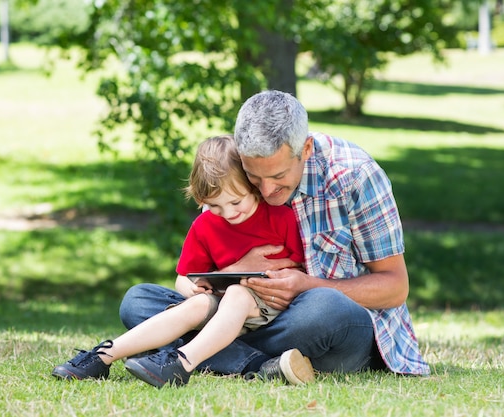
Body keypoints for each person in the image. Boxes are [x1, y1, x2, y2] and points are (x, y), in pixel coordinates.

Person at [119, 90, 430, 381]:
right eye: (255, 177)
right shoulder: (234, 170)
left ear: (305, 149)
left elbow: (395, 287)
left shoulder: (355, 176)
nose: (266, 190)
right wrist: (233, 273)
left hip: (320, 326)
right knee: (139, 301)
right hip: (240, 318)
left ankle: (191, 350)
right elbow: (198, 279)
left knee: (324, 308)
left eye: (279, 176)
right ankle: (264, 366)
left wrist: (307, 286)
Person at [51, 134, 314, 387]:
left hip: (269, 308)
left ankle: (181, 361)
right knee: (171, 301)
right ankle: (101, 356)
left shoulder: (282, 217)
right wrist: (193, 288)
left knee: (236, 294)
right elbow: (184, 278)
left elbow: (303, 269)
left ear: (253, 187)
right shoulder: (205, 225)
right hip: (221, 307)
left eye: (235, 202)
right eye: (215, 206)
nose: (228, 213)